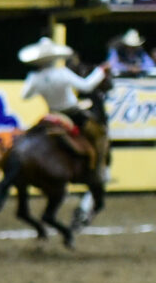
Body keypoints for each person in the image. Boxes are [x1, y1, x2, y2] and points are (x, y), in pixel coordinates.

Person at [19, 36, 110, 182]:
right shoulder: (62, 73)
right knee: (100, 135)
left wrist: (40, 87)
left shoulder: (34, 77)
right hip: (73, 114)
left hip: (52, 115)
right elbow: (86, 86)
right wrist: (100, 71)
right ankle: (99, 172)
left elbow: (25, 96)